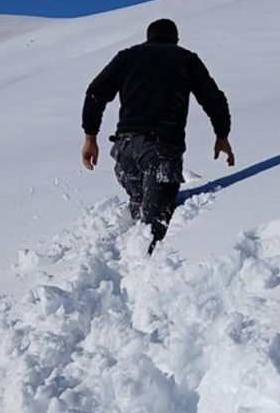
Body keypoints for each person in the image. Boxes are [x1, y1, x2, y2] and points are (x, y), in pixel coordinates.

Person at [81, 18, 234, 253]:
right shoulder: (185, 58)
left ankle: (128, 262)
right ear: (176, 40)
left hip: (125, 151)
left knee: (141, 209)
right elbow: (213, 98)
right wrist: (222, 135)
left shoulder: (127, 57)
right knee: (155, 230)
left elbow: (95, 93)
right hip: (160, 151)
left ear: (148, 37)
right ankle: (143, 265)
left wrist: (90, 138)